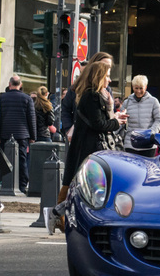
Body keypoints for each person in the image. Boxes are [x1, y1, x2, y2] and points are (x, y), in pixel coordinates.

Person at [45, 61, 128, 234]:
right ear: (99, 76)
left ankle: (61, 213)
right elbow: (98, 123)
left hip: (94, 147)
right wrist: (116, 122)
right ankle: (57, 212)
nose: (110, 80)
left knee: (92, 188)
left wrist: (114, 118)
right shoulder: (92, 96)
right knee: (88, 188)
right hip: (90, 148)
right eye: (107, 76)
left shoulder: (98, 94)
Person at [61, 52, 113, 143]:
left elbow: (105, 116)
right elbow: (66, 109)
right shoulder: (79, 87)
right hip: (80, 135)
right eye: (104, 65)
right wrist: (69, 128)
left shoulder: (107, 89)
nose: (106, 68)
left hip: (99, 138)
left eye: (109, 66)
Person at [0, 74, 36, 194]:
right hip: (22, 134)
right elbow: (31, 118)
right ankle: (22, 185)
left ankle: (6, 183)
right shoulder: (27, 98)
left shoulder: (1, 98)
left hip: (5, 133)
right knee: (22, 160)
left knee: (4, 159)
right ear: (20, 85)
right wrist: (33, 136)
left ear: (9, 84)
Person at [121, 74, 160, 156]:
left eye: (141, 88)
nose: (138, 91)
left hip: (148, 145)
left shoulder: (154, 101)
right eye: (136, 88)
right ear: (133, 87)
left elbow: (159, 119)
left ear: (146, 87)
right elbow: (121, 120)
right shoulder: (127, 102)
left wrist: (151, 132)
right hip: (130, 144)